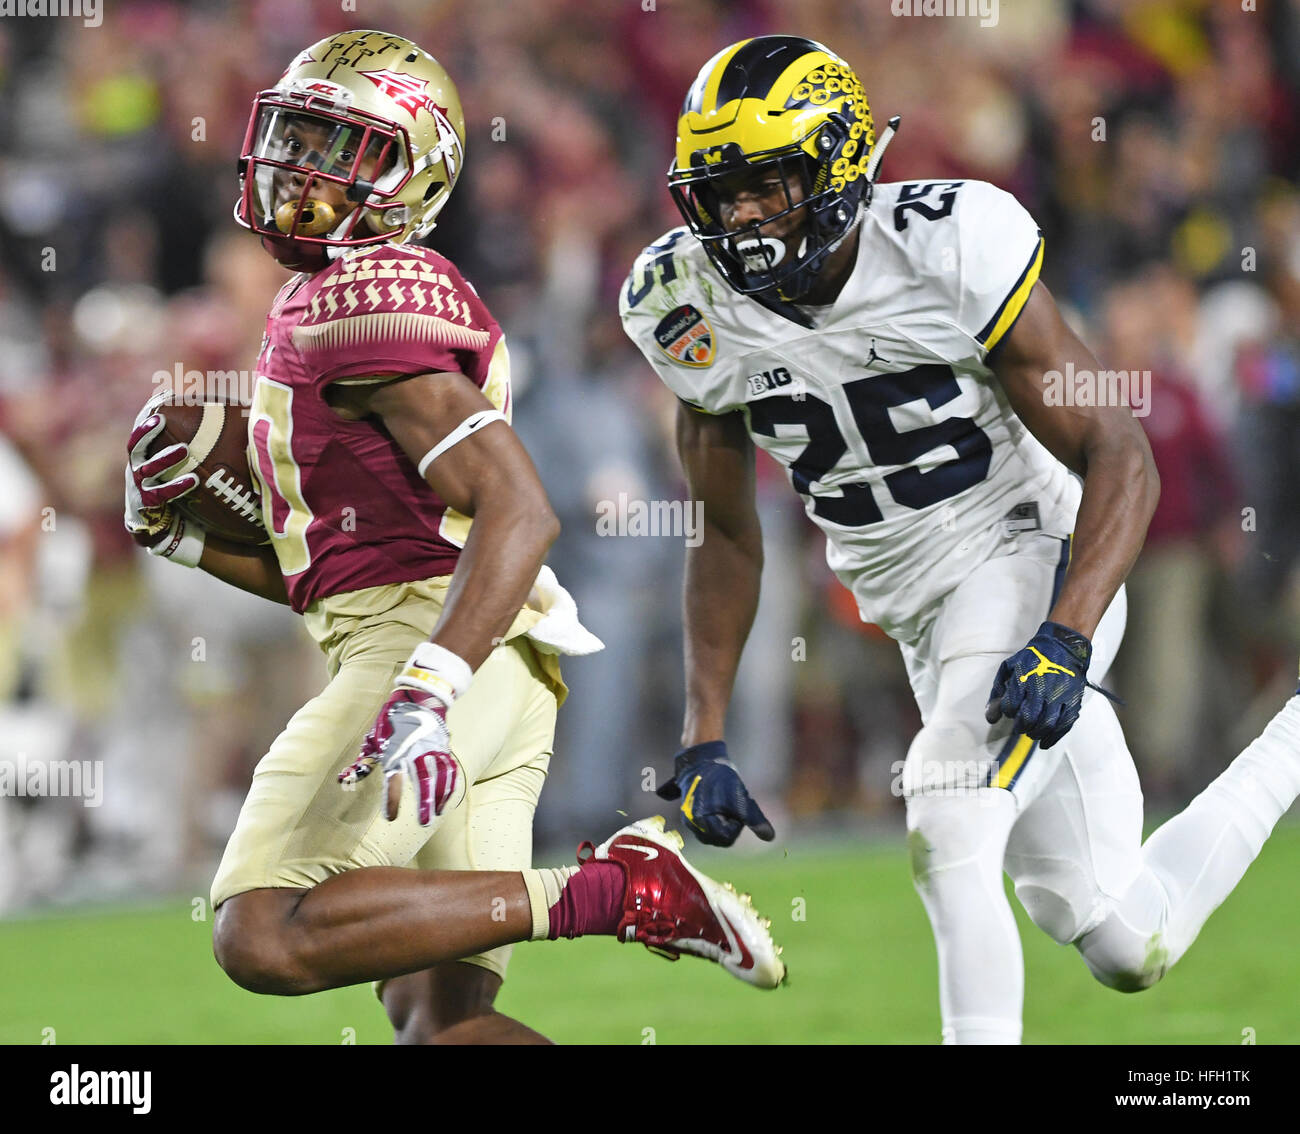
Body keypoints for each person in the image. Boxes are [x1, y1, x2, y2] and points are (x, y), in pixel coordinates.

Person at [620, 35, 1300, 1045]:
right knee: (1122, 942)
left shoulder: (950, 244)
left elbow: (1118, 450)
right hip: (918, 616)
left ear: (840, 164)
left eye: (771, 182)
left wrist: (1066, 632)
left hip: (1022, 554)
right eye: (722, 191)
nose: (746, 215)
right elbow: (724, 530)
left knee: (948, 820)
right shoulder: (684, 299)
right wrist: (703, 730)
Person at [123, 29, 783, 1046]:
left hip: (436, 658)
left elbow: (521, 508)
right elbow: (333, 577)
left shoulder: (364, 297)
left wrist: (424, 697)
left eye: (338, 146)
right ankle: (608, 891)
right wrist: (187, 542)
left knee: (263, 932)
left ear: (409, 172)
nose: (300, 166)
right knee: (444, 1029)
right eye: (296, 134)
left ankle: (615, 891)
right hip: (482, 656)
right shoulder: (332, 298)